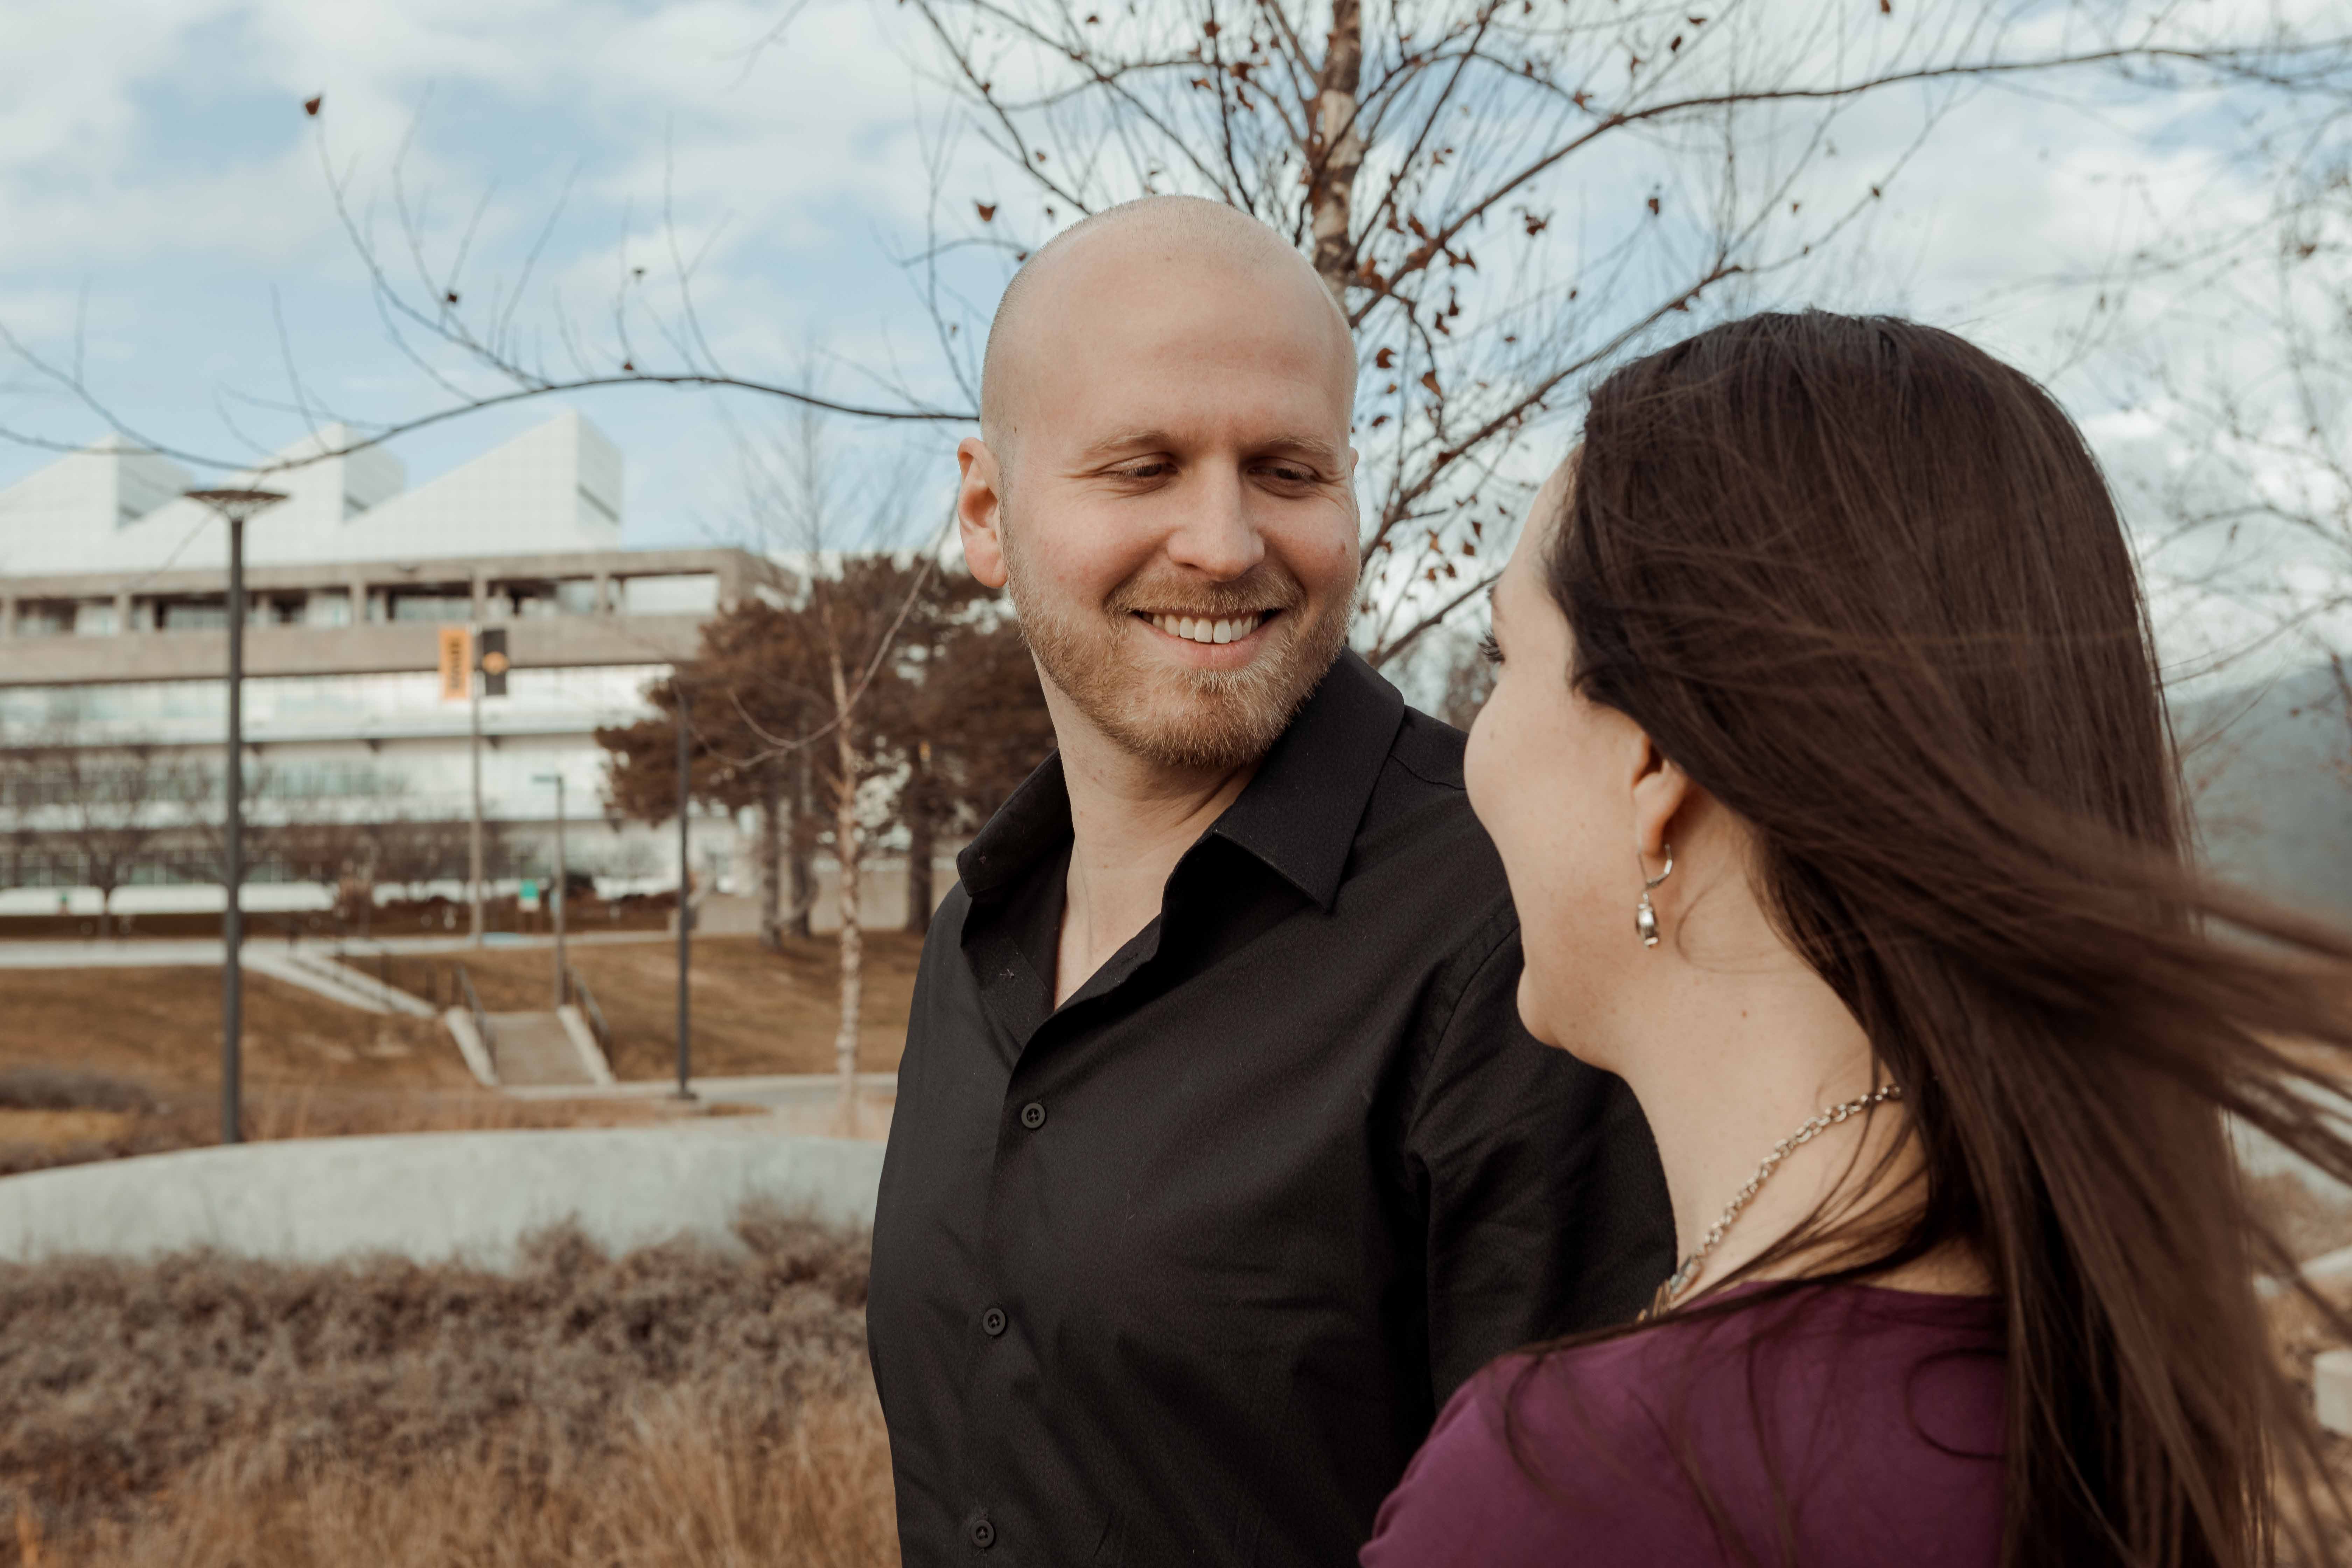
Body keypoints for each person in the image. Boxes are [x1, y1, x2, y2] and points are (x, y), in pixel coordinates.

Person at [1360, 310, 2352, 1566]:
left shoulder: (1577, 1491)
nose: (1473, 754)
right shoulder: (2122, 1385)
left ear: (1653, 761)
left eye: (1504, 657)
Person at [866, 195, 1673, 1565]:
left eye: (1290, 472)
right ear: (988, 513)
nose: (1227, 543)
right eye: (1143, 468)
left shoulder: (1520, 934)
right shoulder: (979, 930)